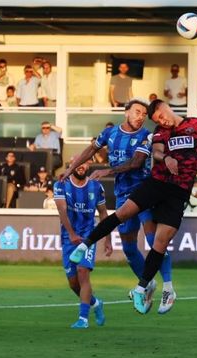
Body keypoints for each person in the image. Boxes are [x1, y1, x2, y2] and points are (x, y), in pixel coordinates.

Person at [66, 99, 197, 315]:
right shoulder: (157, 132)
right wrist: (166, 157)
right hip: (153, 185)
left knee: (157, 241)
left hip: (173, 191)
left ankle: (162, 287)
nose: (161, 121)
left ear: (166, 107)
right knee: (127, 238)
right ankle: (90, 248)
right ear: (126, 112)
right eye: (153, 118)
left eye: (156, 115)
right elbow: (157, 152)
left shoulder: (196, 125)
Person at [62, 100, 176, 314]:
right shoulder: (110, 133)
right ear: (126, 113)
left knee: (154, 241)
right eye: (137, 112)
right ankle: (148, 283)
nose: (141, 116)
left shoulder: (146, 136)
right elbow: (90, 150)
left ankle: (168, 287)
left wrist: (107, 170)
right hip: (123, 195)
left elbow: (136, 163)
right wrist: (72, 168)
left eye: (144, 113)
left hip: (144, 193)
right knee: (129, 248)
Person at [54, 160, 111, 328]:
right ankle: (95, 303)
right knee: (73, 283)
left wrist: (108, 238)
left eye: (85, 164)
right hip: (68, 238)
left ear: (89, 166)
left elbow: (103, 213)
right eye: (78, 163)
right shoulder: (61, 184)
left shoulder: (96, 187)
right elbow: (62, 210)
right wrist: (71, 234)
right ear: (72, 165)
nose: (82, 166)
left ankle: (83, 319)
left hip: (88, 237)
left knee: (82, 271)